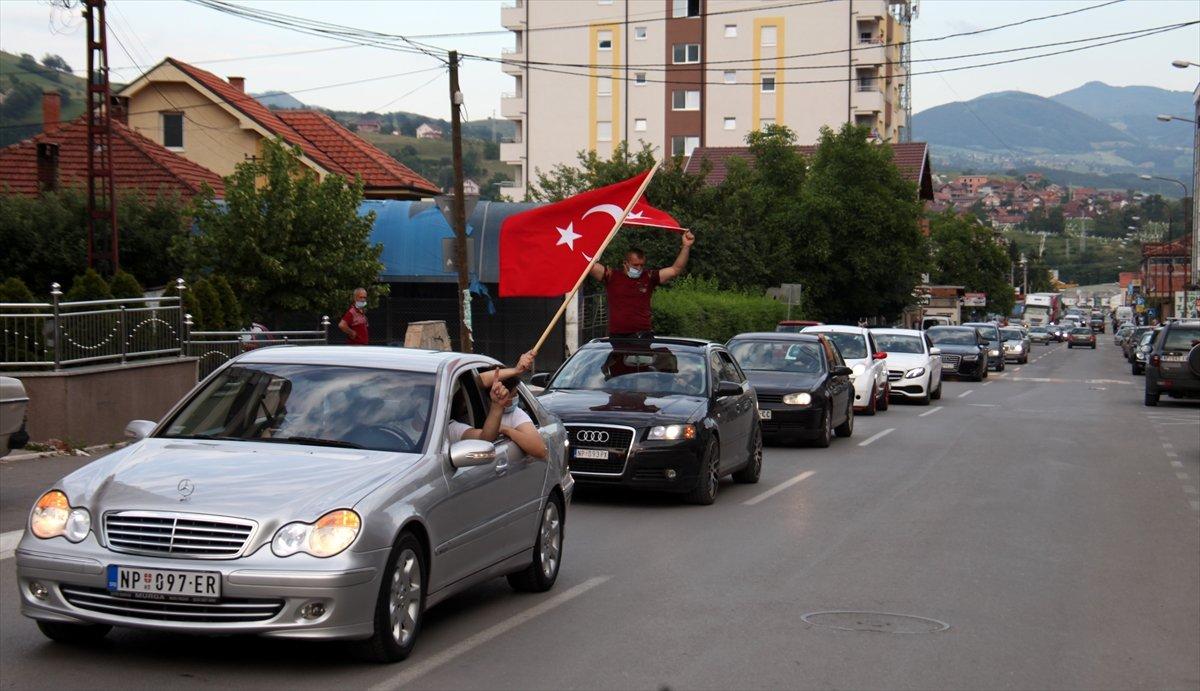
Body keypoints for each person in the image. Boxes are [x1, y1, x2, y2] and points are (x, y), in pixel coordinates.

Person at [589, 230, 695, 338]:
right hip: (618, 337)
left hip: (643, 336)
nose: (639, 268)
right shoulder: (612, 276)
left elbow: (675, 270)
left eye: (642, 265)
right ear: (625, 263)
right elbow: (589, 264)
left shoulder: (649, 277)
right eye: (635, 265)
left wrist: (686, 246)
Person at [447, 373, 547, 459]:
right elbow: (470, 384)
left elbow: (540, 450)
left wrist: (507, 430)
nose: (515, 399)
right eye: (512, 396)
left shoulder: (514, 414)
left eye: (516, 395)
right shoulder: (463, 415)